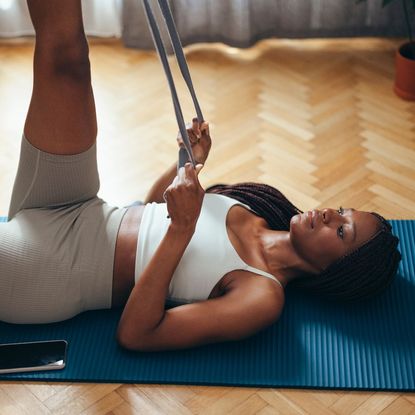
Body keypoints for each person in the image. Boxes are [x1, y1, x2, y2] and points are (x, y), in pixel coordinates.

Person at [0, 0, 401, 353]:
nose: (331, 213)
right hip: (81, 204)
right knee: (66, 60)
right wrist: (187, 163)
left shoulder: (261, 295)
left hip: (54, 267)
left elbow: (138, 334)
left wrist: (183, 229)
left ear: (334, 271)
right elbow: (156, 209)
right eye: (344, 210)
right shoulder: (257, 208)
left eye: (343, 231)